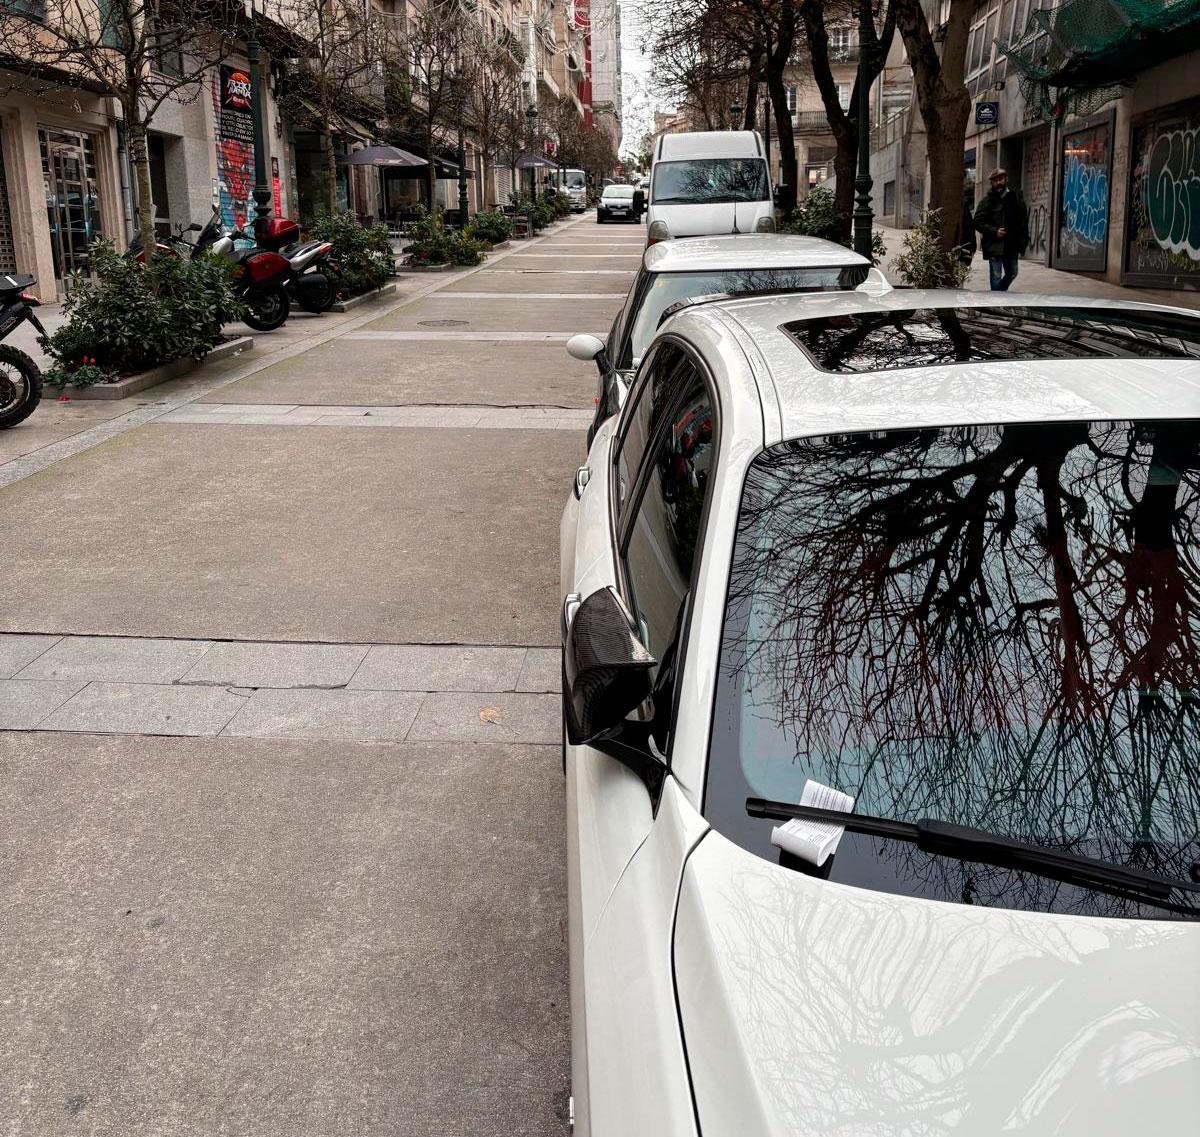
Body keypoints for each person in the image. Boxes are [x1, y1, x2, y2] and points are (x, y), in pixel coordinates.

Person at [973, 168, 1028, 291]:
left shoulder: (1016, 199)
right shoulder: (986, 201)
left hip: (1011, 245)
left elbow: (1023, 222)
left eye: (1000, 179)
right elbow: (978, 222)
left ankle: (999, 295)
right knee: (996, 277)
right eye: (995, 180)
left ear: (1006, 179)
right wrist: (994, 231)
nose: (998, 183)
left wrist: (1023, 242)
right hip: (994, 246)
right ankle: (996, 301)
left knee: (1013, 273)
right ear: (991, 183)